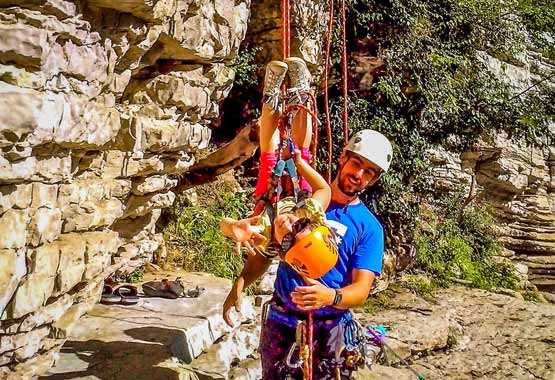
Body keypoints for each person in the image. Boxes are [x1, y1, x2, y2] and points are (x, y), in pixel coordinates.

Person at [222, 58, 394, 379]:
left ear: (373, 180)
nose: (358, 175)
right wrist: (240, 285)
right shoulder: (302, 196)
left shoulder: (368, 227)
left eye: (368, 172)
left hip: (329, 328)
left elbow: (361, 289)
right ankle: (297, 94)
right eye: (356, 164)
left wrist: (331, 296)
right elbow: (266, 252)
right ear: (343, 158)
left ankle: (297, 93)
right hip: (282, 320)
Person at [220, 58, 338, 280]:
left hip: (270, 198)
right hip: (298, 192)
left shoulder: (264, 236)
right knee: (302, 151)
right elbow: (325, 191)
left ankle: (271, 95)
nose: (290, 224)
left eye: (287, 239)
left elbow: (223, 226)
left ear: (284, 252)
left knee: (270, 156)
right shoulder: (309, 215)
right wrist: (301, 166)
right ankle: (301, 94)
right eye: (300, 225)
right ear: (310, 223)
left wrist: (234, 227)